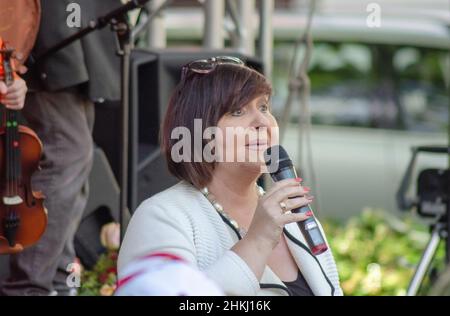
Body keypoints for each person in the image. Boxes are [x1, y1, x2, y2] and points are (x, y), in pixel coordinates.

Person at [118, 56, 343, 296]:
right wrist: (257, 241)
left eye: (264, 107)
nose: (262, 122)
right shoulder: (163, 217)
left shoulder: (294, 219)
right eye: (237, 111)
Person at [0, 0, 121, 296]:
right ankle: (31, 285)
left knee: (75, 162)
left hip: (72, 36)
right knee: (68, 156)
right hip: (39, 40)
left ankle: (55, 280)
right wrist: (11, 69)